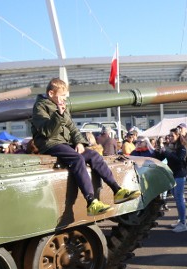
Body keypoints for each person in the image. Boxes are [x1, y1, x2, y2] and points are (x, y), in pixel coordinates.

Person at [31, 78, 140, 215]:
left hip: (64, 143)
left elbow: (72, 128)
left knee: (94, 155)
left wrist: (79, 142)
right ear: (51, 93)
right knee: (77, 159)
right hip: (50, 143)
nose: (65, 98)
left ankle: (117, 190)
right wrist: (59, 114)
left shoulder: (60, 106)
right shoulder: (40, 107)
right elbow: (46, 131)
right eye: (62, 95)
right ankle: (91, 202)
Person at [156, 128, 187, 232]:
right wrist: (160, 151)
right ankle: (181, 220)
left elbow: (179, 160)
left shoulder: (182, 147)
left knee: (179, 198)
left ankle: (183, 223)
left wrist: (166, 152)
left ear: (178, 136)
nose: (169, 138)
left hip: (180, 174)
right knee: (177, 198)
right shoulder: (172, 147)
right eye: (169, 135)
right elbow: (163, 159)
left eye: (172, 136)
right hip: (174, 174)